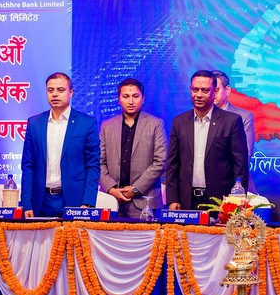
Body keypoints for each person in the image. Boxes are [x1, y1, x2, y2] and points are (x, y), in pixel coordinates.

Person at [165, 70, 249, 210]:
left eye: (204, 90)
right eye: (195, 89)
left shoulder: (231, 121)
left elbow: (240, 166)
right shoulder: (179, 122)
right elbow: (173, 164)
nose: (199, 95)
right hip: (186, 201)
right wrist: (173, 199)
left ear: (214, 91)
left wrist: (236, 201)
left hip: (221, 203)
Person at [21, 72, 100, 217]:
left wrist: (87, 203)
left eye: (60, 90)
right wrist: (26, 203)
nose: (55, 94)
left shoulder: (86, 123)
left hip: (74, 200)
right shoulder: (34, 123)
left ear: (71, 93)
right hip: (40, 200)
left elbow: (92, 165)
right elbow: (28, 165)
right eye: (50, 90)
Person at [99, 78, 167, 218]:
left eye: (135, 96)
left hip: (145, 201)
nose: (131, 101)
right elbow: (98, 162)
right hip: (112, 200)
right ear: (119, 99)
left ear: (143, 98)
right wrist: (111, 189)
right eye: (126, 96)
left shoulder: (156, 124)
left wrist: (135, 189)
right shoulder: (107, 126)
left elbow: (160, 162)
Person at [211, 70, 255, 157]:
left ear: (227, 90)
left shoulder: (243, 117)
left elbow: (245, 154)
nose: (212, 94)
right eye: (208, 90)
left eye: (216, 90)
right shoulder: (198, 116)